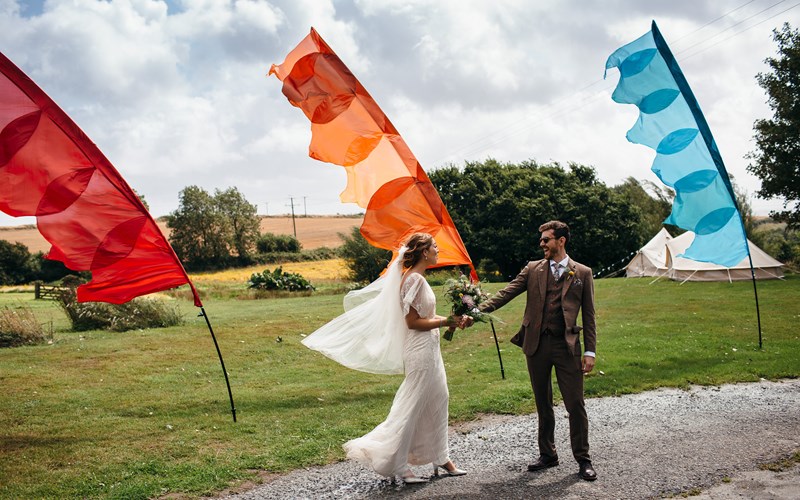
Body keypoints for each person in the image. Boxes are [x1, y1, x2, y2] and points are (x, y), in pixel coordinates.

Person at [302, 232, 468, 484]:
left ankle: (440, 457)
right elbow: (412, 322)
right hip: (420, 351)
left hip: (430, 348)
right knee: (412, 405)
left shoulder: (417, 278)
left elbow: (426, 315)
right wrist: (445, 321)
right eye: (435, 247)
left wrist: (451, 322)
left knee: (438, 398)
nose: (438, 250)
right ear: (424, 252)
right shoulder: (413, 280)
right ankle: (395, 462)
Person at [479, 220, 598, 481]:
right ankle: (548, 454)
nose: (541, 243)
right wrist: (476, 310)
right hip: (537, 345)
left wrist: (590, 351)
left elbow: (589, 315)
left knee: (575, 404)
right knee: (543, 403)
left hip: (567, 346)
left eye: (546, 239)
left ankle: (583, 459)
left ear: (561, 240)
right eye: (541, 239)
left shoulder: (583, 273)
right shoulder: (533, 269)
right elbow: (506, 293)